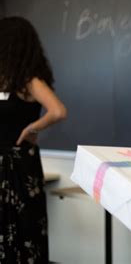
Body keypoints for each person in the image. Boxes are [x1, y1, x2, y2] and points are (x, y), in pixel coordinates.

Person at [0, 16, 67, 263]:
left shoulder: (29, 81)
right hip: (5, 167)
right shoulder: (5, 81)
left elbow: (58, 111)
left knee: (24, 226)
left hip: (18, 166)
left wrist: (32, 128)